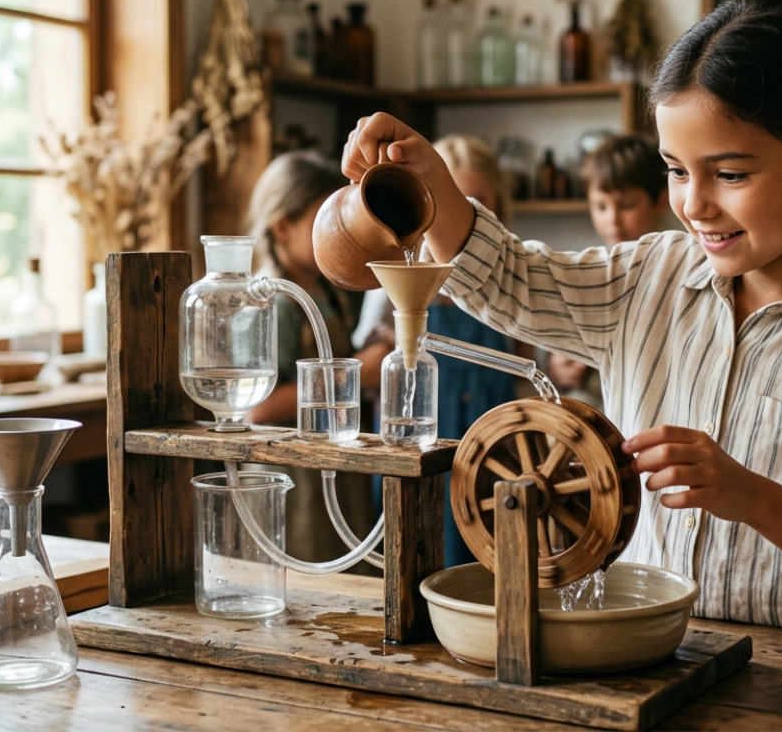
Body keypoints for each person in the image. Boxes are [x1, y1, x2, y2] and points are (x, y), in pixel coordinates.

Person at [337, 0, 782, 635]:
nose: (694, 204)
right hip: (654, 658)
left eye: (730, 175)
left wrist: (752, 498)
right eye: (676, 171)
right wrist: (432, 177)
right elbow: (514, 280)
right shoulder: (649, 276)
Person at [353, 134, 525, 566]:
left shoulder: (510, 284)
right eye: (453, 199)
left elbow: (527, 360)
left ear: (497, 207)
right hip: (417, 442)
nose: (463, 212)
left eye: (478, 201)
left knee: (482, 561)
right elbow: (367, 367)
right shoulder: (398, 278)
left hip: (489, 449)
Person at [244, 150, 391, 566]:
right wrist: (360, 373)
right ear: (283, 226)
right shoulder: (272, 302)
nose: (338, 232)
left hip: (334, 473)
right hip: (295, 484)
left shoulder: (326, 292)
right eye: (323, 221)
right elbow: (260, 408)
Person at [548, 134, 671, 408]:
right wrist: (558, 363)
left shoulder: (675, 270)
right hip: (589, 415)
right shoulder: (584, 270)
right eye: (600, 206)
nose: (612, 219)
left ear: (661, 200)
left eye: (627, 205)